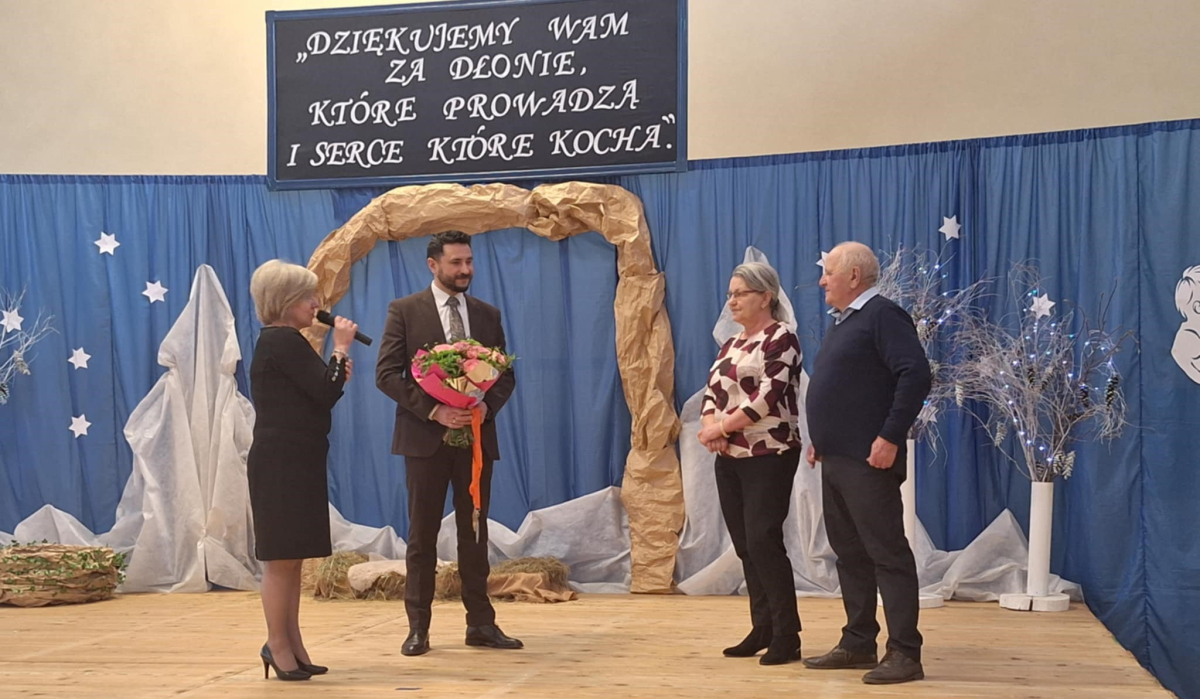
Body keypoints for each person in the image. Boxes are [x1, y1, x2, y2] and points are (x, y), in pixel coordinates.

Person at [376, 230, 520, 656]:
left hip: (475, 440)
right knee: (421, 536)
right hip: (425, 441)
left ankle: (481, 624)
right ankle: (418, 629)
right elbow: (387, 375)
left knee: (474, 533)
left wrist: (485, 408)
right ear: (433, 264)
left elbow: (504, 374)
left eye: (469, 262)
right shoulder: (404, 310)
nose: (465, 270)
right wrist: (435, 411)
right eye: (456, 262)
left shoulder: (487, 314)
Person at [802, 242, 931, 685]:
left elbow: (916, 373)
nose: (822, 279)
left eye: (829, 272)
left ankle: (905, 653)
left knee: (887, 554)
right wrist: (822, 439)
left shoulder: (883, 315)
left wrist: (890, 436)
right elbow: (848, 388)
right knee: (850, 554)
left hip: (869, 461)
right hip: (837, 458)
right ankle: (858, 641)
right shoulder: (845, 321)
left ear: (854, 276)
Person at [247, 259, 358, 681]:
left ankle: (291, 642)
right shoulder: (282, 340)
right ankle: (277, 644)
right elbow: (325, 391)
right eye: (308, 297)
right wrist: (340, 348)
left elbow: (318, 393)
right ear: (285, 301)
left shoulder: (286, 341)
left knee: (292, 557)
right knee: (280, 558)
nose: (317, 304)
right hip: (281, 461)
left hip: (297, 456)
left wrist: (336, 368)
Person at [697, 261, 805, 666]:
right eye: (730, 294)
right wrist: (711, 428)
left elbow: (767, 397)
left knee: (763, 540)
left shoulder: (782, 337)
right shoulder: (731, 343)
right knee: (745, 545)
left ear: (765, 297)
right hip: (730, 455)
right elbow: (712, 392)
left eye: (740, 293)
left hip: (770, 453)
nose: (732, 301)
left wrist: (720, 428)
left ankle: (787, 634)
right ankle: (762, 627)